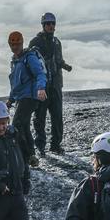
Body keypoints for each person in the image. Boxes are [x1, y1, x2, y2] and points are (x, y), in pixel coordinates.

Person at [29, 12, 73, 155]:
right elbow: (31, 63)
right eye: (48, 23)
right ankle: (40, 146)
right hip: (42, 86)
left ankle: (55, 145)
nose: (51, 26)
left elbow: (59, 60)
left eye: (53, 23)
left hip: (56, 85)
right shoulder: (35, 42)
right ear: (43, 25)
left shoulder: (57, 42)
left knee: (57, 116)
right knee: (39, 117)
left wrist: (65, 66)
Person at [6, 30, 47, 168]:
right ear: (9, 45)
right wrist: (10, 100)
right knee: (24, 127)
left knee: (16, 125)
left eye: (17, 44)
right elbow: (15, 84)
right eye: (12, 44)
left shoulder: (29, 57)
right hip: (20, 98)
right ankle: (31, 156)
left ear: (22, 43)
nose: (15, 47)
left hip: (30, 97)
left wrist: (41, 88)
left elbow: (40, 74)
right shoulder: (15, 61)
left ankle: (22, 157)